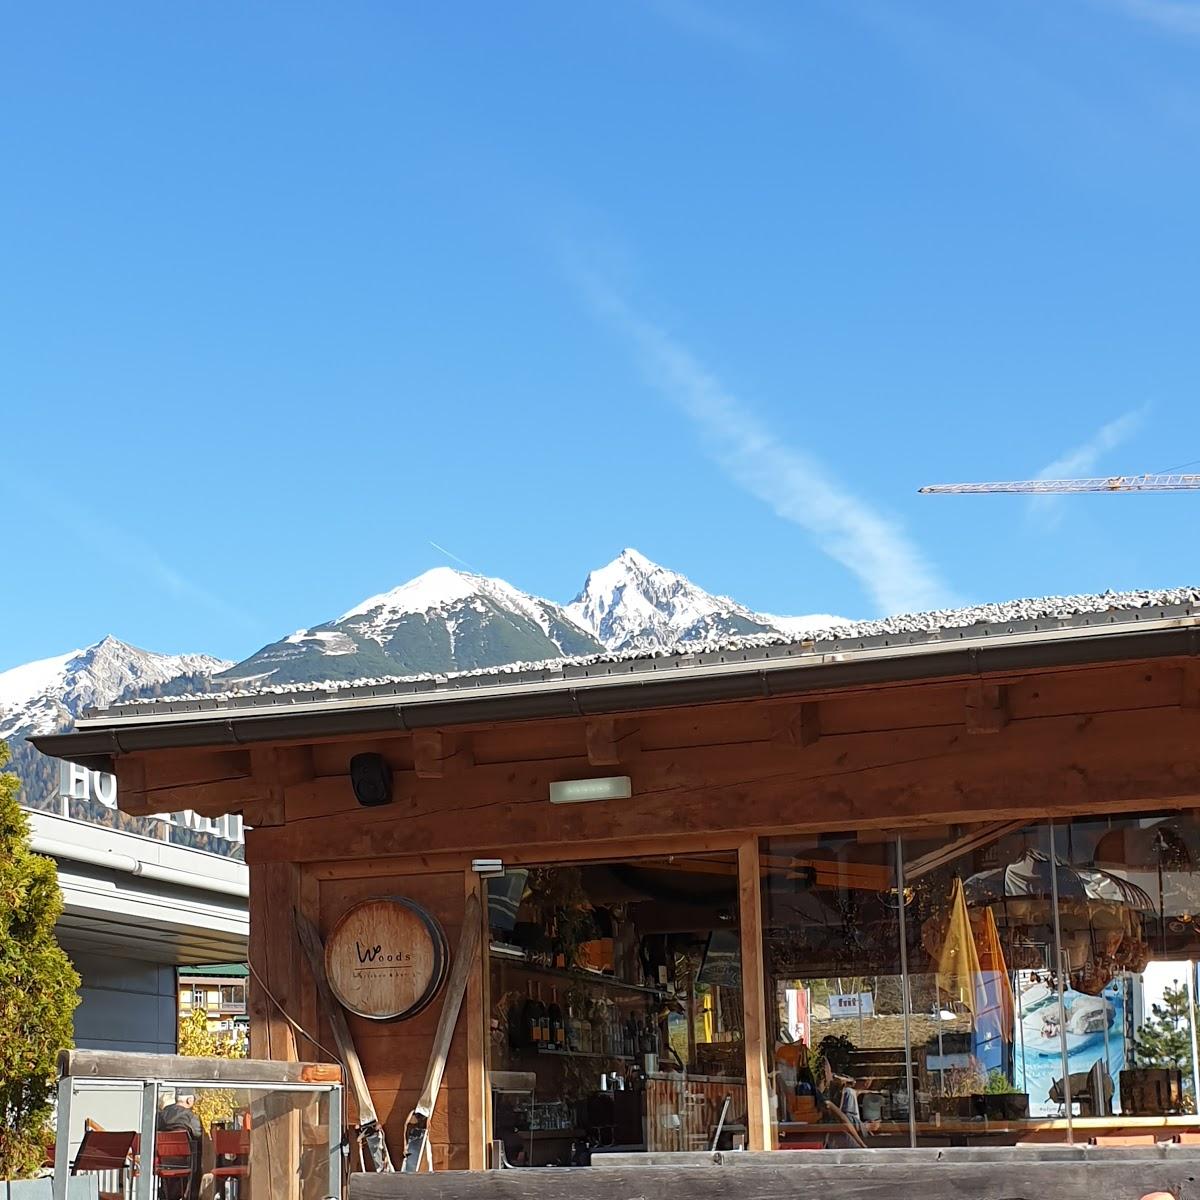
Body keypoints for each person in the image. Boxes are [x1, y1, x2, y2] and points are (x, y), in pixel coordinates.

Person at [157, 1091, 203, 1200]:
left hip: (163, 1164)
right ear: (189, 1100)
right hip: (185, 1164)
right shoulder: (191, 1117)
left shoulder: (160, 1115)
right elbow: (198, 1137)